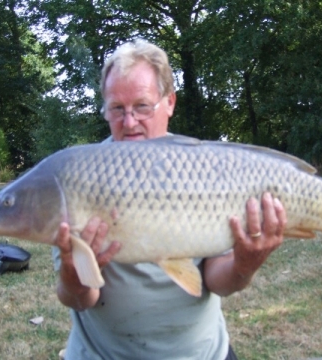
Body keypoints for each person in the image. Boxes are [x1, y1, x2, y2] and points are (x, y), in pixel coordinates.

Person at [52, 39, 286, 360]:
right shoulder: (78, 177)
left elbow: (217, 279)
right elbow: (80, 298)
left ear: (170, 102)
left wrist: (244, 265)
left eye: (142, 106)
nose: (130, 122)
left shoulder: (204, 167)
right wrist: (74, 275)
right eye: (117, 109)